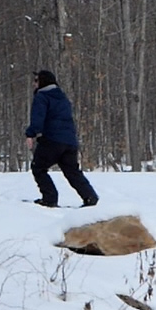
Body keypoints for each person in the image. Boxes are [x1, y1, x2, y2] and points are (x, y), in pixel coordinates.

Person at [24, 69, 98, 208]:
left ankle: (50, 198)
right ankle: (90, 197)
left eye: (36, 81)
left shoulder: (42, 97)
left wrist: (30, 134)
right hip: (70, 142)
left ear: (42, 82)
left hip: (52, 140)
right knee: (72, 171)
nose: (34, 84)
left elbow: (38, 119)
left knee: (38, 167)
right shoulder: (63, 97)